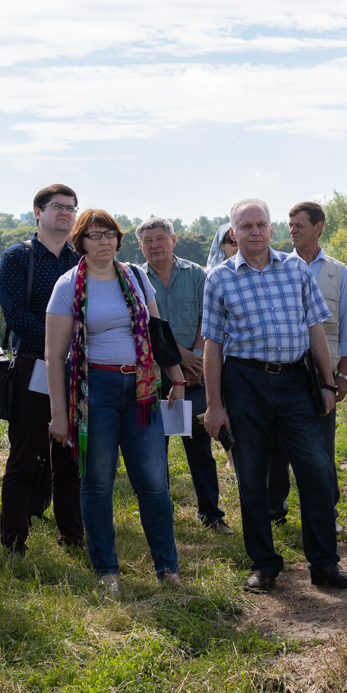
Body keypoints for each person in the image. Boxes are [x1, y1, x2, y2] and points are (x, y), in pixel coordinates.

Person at [200, 199, 347, 595]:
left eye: (261, 224)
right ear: (233, 233)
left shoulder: (295, 269)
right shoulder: (219, 278)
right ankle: (264, 564)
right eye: (245, 226)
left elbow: (315, 328)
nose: (254, 231)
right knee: (252, 478)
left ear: (271, 229)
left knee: (317, 471)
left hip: (294, 383)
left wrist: (327, 382)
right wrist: (215, 405)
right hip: (244, 383)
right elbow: (212, 345)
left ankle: (324, 563)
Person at [46, 211, 188, 597]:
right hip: (96, 391)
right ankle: (107, 570)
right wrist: (59, 414)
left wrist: (176, 378)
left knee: (154, 483)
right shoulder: (67, 285)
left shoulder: (136, 277)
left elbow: (158, 334)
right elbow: (54, 356)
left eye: (109, 234)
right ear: (80, 242)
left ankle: (168, 569)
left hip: (141, 390)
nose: (104, 242)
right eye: (94, 236)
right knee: (97, 482)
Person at [0, 183, 83, 553]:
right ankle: (14, 540)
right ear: (38, 212)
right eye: (56, 206)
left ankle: (73, 537)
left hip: (74, 369)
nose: (65, 212)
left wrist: (72, 353)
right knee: (24, 456)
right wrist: (58, 348)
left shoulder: (80, 260)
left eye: (71, 207)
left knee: (68, 457)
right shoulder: (18, 257)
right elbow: (16, 315)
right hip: (34, 365)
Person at [267, 202, 347, 522]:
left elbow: (346, 327)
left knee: (322, 447)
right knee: (277, 446)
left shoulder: (338, 271)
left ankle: (325, 512)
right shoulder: (276, 268)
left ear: (318, 228)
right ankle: (275, 510)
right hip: (285, 370)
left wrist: (341, 376)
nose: (292, 230)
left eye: (299, 225)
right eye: (290, 225)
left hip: (322, 375)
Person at [136, 218, 223, 531]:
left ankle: (211, 514)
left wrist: (196, 358)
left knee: (199, 449)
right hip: (154, 377)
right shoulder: (135, 278)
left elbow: (206, 318)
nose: (155, 245)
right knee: (154, 451)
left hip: (195, 375)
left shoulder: (197, 273)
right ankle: (161, 517)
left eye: (160, 238)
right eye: (148, 241)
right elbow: (141, 328)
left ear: (173, 240)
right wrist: (178, 357)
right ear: (140, 246)